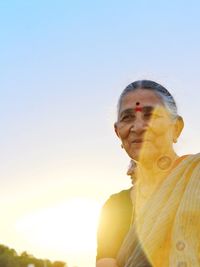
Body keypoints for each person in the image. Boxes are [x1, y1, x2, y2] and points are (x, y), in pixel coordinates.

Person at [96, 80, 200, 267]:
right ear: (117, 131)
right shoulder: (115, 207)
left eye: (151, 115)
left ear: (176, 127)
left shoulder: (195, 178)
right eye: (127, 118)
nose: (138, 127)